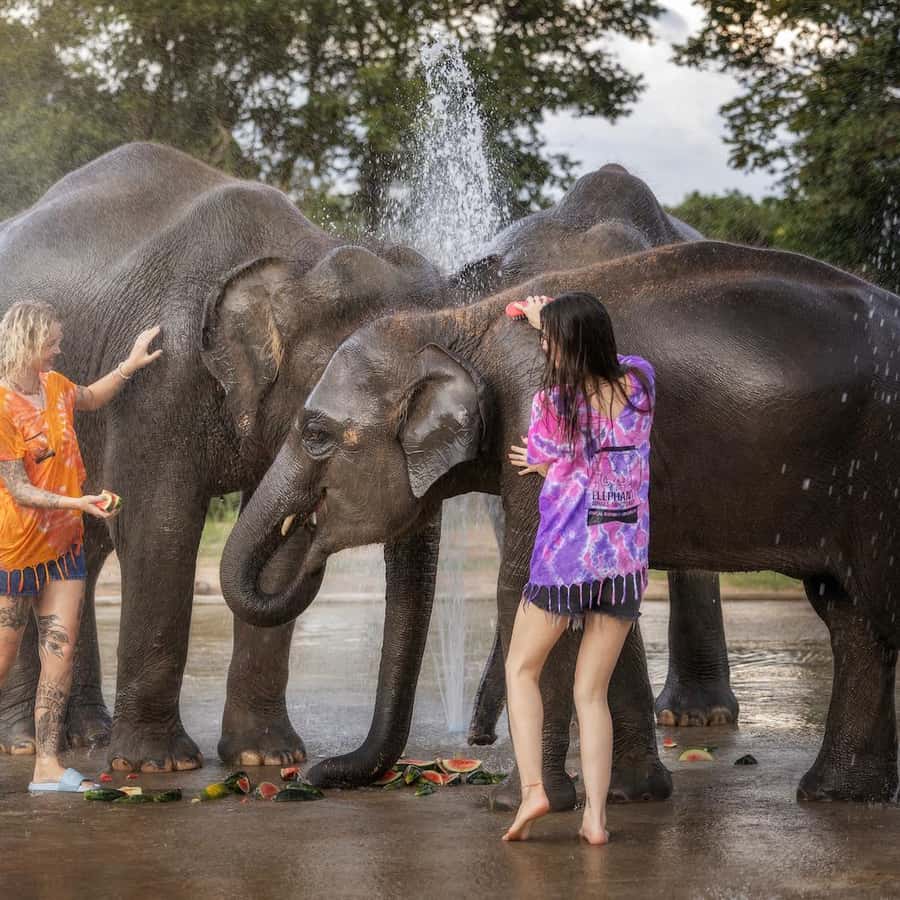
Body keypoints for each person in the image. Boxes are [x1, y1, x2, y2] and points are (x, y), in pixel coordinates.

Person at [504, 291, 655, 844]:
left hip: (565, 564)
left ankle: (533, 790)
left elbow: (551, 456)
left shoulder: (554, 406)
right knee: (591, 694)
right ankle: (595, 819)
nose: (545, 346)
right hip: (624, 563)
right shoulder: (641, 386)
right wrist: (554, 318)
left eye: (549, 341)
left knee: (521, 668)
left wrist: (544, 463)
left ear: (569, 347)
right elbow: (589, 463)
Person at [0, 301, 161, 792]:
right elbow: (18, 487)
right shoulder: (2, 405)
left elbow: (91, 396)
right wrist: (79, 500)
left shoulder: (56, 386)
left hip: (64, 548)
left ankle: (47, 767)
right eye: (52, 340)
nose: (59, 347)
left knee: (61, 654)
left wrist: (129, 365)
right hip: (14, 553)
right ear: (28, 343)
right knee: (2, 660)